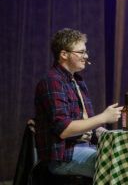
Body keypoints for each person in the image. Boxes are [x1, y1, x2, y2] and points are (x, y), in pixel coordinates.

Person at [34, 28, 122, 178]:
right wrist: (103, 117)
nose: (86, 56)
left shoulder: (77, 81)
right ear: (64, 54)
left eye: (85, 52)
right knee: (118, 165)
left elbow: (87, 126)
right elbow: (65, 130)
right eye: (81, 52)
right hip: (64, 157)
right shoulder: (53, 81)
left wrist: (108, 134)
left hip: (84, 148)